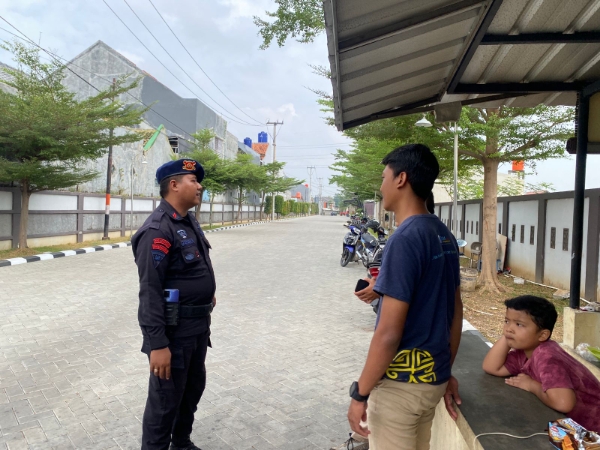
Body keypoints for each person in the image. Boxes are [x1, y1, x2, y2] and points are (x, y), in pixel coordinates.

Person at [348, 144, 463, 450]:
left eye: (384, 177)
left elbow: (388, 333)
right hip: (432, 382)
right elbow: (456, 312)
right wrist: (445, 371)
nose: (381, 186)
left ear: (401, 179)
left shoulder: (405, 238)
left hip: (401, 389)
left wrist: (360, 393)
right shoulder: (443, 234)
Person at [132, 159, 217, 450]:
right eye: (193, 180)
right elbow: (150, 291)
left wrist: (206, 293)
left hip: (197, 327)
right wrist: (157, 344)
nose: (200, 186)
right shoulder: (157, 230)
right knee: (164, 403)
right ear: (174, 185)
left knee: (191, 390)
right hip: (174, 333)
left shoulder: (188, 221)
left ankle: (181, 443)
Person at [482, 295, 600, 431]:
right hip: (576, 428)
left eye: (519, 324)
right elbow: (491, 367)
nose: (509, 328)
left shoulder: (547, 357)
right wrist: (508, 336)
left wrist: (531, 385)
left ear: (542, 335)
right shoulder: (526, 351)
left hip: (594, 429)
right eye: (507, 321)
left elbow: (564, 403)